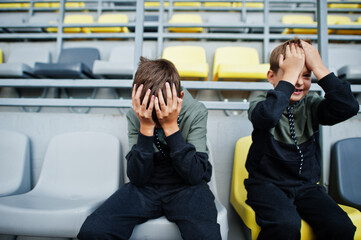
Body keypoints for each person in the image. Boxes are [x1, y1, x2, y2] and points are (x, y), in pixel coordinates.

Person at [77, 57, 221, 240]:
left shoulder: (196, 111)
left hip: (187, 186)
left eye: (162, 109)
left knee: (205, 235)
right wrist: (145, 126)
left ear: (179, 98)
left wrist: (170, 127)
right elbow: (137, 177)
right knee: (94, 230)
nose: (158, 117)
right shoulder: (136, 115)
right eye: (151, 110)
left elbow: (194, 175)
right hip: (146, 186)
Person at [244, 38, 359, 240]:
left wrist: (319, 68)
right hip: (266, 186)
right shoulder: (261, 103)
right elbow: (268, 116)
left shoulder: (311, 104)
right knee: (285, 226)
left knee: (341, 227)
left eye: (306, 76)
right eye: (292, 74)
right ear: (271, 77)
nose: (298, 82)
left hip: (306, 187)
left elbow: (348, 106)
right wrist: (288, 78)